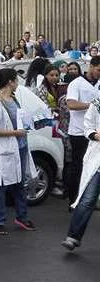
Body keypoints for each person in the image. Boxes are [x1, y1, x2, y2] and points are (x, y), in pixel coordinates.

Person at [0, 68, 37, 235]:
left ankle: (22, 216)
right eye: (16, 80)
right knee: (0, 186)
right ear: (10, 82)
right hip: (5, 149)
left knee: (19, 184)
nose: (17, 83)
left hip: (19, 147)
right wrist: (15, 133)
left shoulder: (14, 99)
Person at [62, 94, 100, 250]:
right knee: (87, 199)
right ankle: (73, 236)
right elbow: (88, 126)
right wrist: (96, 135)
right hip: (97, 160)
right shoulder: (97, 104)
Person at [64, 56, 100, 204]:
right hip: (79, 132)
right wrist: (92, 106)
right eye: (99, 70)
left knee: (94, 167)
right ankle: (74, 200)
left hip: (96, 133)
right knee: (79, 167)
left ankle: (90, 199)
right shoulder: (76, 84)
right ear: (91, 66)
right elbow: (71, 104)